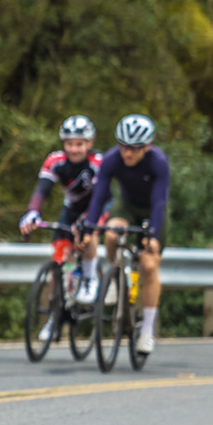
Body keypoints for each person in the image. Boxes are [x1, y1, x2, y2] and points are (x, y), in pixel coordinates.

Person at [80, 114, 170, 356]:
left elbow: (160, 201)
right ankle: (114, 275)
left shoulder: (158, 162)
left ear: (147, 147)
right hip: (127, 206)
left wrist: (151, 235)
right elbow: (99, 196)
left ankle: (147, 330)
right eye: (124, 147)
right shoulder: (111, 159)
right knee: (111, 234)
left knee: (149, 264)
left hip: (152, 211)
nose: (128, 153)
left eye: (135, 149)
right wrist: (89, 230)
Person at [18, 115, 103, 311]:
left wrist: (86, 221)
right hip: (71, 207)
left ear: (89, 143)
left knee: (88, 233)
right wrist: (32, 212)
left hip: (97, 206)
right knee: (59, 256)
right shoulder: (55, 161)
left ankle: (90, 278)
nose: (73, 149)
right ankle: (56, 310)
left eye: (79, 144)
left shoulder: (97, 162)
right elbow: (42, 190)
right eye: (69, 143)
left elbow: (100, 198)